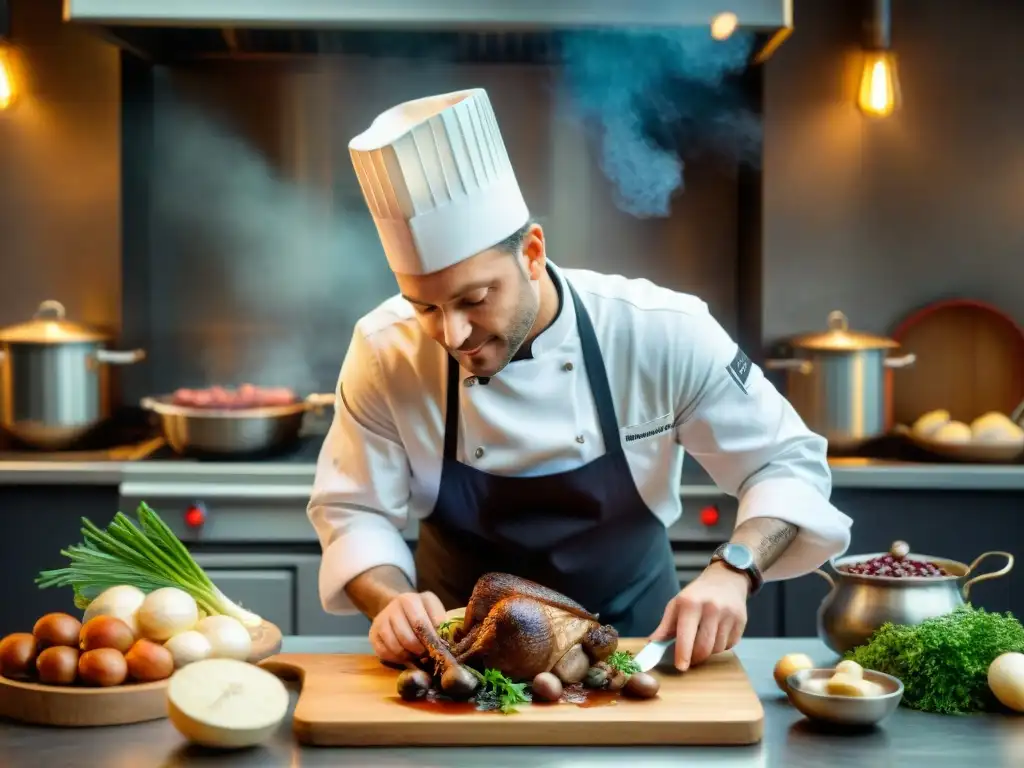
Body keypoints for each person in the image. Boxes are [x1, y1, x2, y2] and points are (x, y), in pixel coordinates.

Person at [307, 88, 852, 672]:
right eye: (425, 307)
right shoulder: (384, 350)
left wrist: (736, 567)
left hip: (637, 653)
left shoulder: (659, 332)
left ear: (533, 253)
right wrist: (391, 602)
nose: (454, 333)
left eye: (475, 298)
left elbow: (786, 463)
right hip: (460, 666)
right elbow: (354, 511)